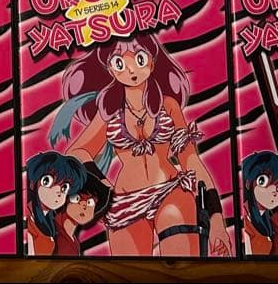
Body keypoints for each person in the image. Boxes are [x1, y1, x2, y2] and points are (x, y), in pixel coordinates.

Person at [51, 35, 232, 257]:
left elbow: (191, 160)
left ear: (152, 62)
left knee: (182, 265)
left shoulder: (168, 105)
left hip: (171, 190)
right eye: (120, 62)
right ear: (111, 69)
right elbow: (76, 152)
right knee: (131, 270)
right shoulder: (109, 112)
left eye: (139, 58)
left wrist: (216, 218)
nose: (131, 69)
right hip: (125, 202)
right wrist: (103, 184)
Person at [240, 151, 278, 255]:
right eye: (263, 181)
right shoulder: (245, 221)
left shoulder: (269, 222)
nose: (273, 192)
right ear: (248, 183)